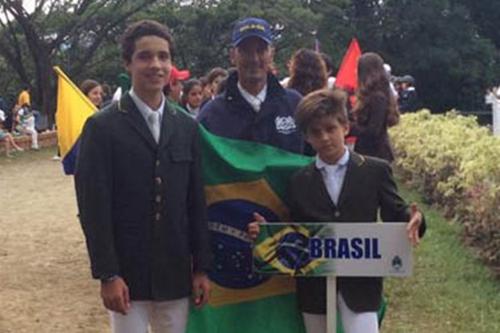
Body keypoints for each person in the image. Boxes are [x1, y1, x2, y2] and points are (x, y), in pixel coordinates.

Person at [249, 88, 426, 333]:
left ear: (345, 126)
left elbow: (396, 212)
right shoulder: (299, 180)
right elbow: (293, 227)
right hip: (315, 287)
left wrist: (414, 218)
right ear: (307, 138)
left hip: (361, 285)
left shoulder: (374, 170)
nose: (325, 138)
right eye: (316, 132)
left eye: (331, 129)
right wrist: (265, 231)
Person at [74, 19, 211, 333]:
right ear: (128, 62)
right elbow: (94, 207)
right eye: (145, 56)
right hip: (127, 272)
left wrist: (202, 266)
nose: (156, 65)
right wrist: (108, 274)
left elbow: (196, 202)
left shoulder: (186, 126)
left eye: (163, 56)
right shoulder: (102, 127)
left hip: (176, 271)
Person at [198, 17, 303, 154]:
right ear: (232, 56)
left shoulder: (295, 106)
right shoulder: (212, 115)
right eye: (246, 51)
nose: (254, 58)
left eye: (260, 50)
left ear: (271, 54)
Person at [350, 52, 400, 162]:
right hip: (370, 153)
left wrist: (349, 128)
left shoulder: (377, 98)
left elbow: (373, 131)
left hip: (375, 155)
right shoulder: (375, 95)